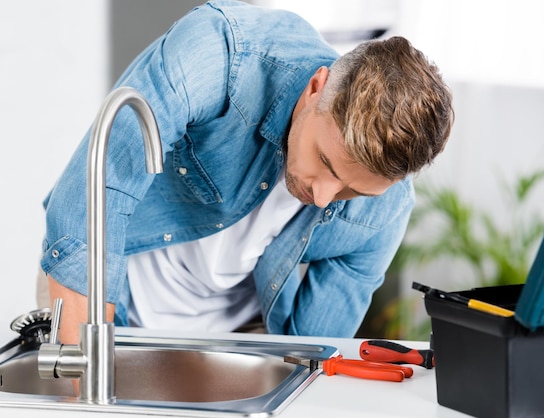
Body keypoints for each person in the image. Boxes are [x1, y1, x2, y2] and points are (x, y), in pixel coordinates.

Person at [39, 0, 454, 344]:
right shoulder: (222, 54)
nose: (325, 198)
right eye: (326, 162)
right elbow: (89, 204)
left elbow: (312, 350)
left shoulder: (385, 208)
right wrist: (88, 377)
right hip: (107, 294)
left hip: (242, 336)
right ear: (316, 88)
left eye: (354, 190)